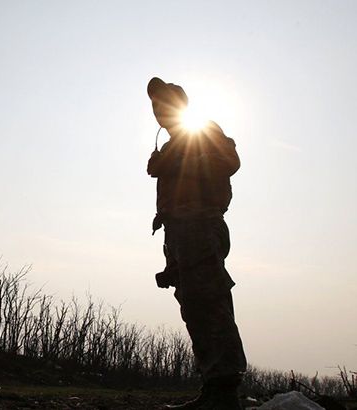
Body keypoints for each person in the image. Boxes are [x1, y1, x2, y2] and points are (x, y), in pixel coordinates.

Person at [146, 77, 247, 409]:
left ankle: (224, 391)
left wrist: (174, 162)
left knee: (208, 301)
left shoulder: (203, 130)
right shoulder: (171, 145)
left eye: (164, 103)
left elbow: (229, 162)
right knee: (193, 306)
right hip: (179, 231)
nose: (159, 110)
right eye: (155, 105)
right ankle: (214, 387)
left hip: (200, 226)